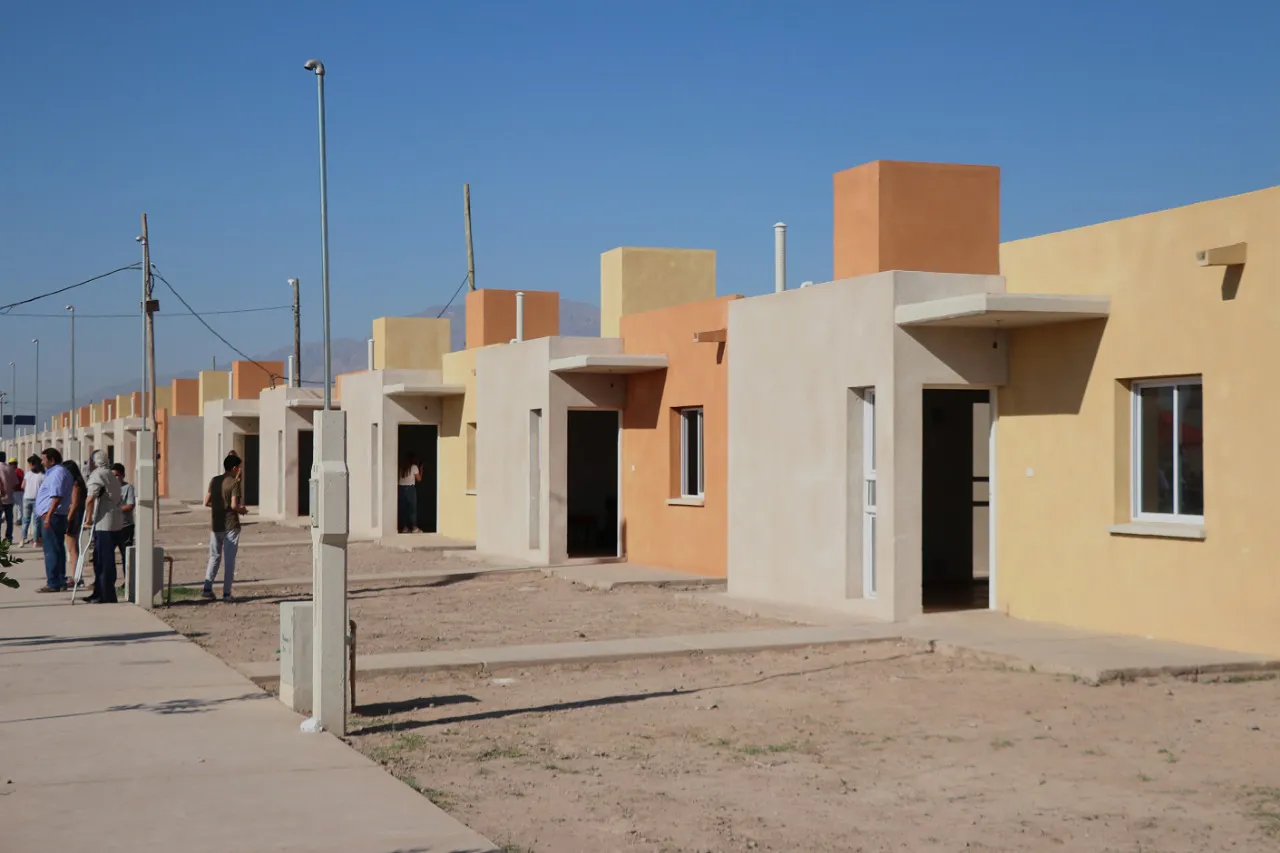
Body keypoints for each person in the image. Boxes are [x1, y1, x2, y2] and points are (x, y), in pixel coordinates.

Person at [203, 453, 246, 601]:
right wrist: (242, 510)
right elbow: (234, 505)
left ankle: (207, 588)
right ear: (234, 468)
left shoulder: (214, 480)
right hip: (230, 524)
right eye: (239, 467)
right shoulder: (234, 483)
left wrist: (219, 507)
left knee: (214, 556)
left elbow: (206, 502)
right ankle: (227, 593)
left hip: (216, 524)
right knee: (229, 560)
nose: (240, 470)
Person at [83, 450, 124, 604]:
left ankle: (105, 594)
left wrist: (88, 519)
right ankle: (101, 592)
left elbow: (90, 499)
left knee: (103, 560)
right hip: (114, 521)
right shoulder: (110, 475)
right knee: (104, 559)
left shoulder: (98, 475)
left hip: (103, 523)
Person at [35, 448, 72, 593]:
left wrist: (48, 516)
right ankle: (60, 580)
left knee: (51, 550)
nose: (42, 462)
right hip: (54, 515)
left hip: (52, 516)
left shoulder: (57, 473)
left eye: (44, 459)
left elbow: (57, 496)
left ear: (52, 460)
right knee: (57, 548)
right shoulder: (55, 472)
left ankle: (53, 582)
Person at [62, 459, 88, 586]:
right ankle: (77, 575)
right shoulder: (78, 483)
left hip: (73, 517)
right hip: (75, 515)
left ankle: (76, 576)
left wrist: (68, 519)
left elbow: (75, 503)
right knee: (72, 548)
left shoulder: (75, 484)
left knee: (72, 549)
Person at [111, 463, 135, 583]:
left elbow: (130, 505)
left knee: (126, 555)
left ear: (123, 475)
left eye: (116, 475)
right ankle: (109, 581)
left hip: (125, 526)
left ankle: (128, 581)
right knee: (107, 555)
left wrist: (116, 510)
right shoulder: (107, 489)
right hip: (110, 527)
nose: (114, 478)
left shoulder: (128, 488)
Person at [20, 457, 43, 548]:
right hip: (37, 500)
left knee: (25, 520)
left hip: (26, 498)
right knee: (36, 522)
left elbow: (22, 486)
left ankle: (22, 540)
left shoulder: (27, 474)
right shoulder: (42, 475)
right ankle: (35, 542)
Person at [397, 453, 422, 534]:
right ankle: (414, 528)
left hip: (401, 488)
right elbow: (419, 479)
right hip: (410, 489)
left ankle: (404, 528)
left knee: (403, 509)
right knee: (412, 509)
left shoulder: (402, 467)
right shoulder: (414, 467)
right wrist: (421, 469)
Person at [0, 456, 16, 543]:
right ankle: (9, 538)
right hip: (9, 498)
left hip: (0, 498)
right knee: (9, 519)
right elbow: (15, 483)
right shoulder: (10, 469)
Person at [9, 459, 24, 543]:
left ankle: (19, 519)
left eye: (11, 464)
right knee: (13, 506)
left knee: (19, 506)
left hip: (18, 491)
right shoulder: (12, 471)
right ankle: (16, 518)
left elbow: (20, 481)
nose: (11, 465)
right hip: (13, 491)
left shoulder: (19, 471)